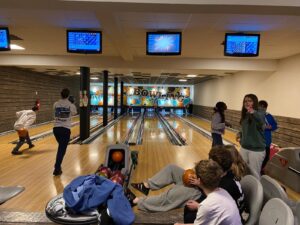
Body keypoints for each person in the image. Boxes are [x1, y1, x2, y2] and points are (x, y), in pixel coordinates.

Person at [183, 145, 245, 223]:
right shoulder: (225, 176)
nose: (208, 163)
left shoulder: (224, 186)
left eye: (210, 161)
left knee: (189, 215)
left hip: (223, 214)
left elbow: (212, 205)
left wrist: (198, 206)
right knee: (188, 208)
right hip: (224, 210)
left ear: (216, 166)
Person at [175, 160, 242, 225]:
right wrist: (198, 206)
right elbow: (215, 209)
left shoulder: (206, 205)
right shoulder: (222, 191)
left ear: (199, 180)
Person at [236, 94, 266, 177]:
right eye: (245, 101)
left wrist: (253, 112)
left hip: (256, 150)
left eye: (250, 101)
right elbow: (245, 128)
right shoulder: (245, 115)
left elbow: (262, 122)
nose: (247, 103)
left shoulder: (260, 113)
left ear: (254, 102)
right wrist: (240, 134)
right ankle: (244, 188)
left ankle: (257, 190)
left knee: (254, 174)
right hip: (244, 147)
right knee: (241, 170)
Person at [53, 88, 77, 176]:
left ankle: (58, 167)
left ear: (61, 94)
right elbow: (74, 113)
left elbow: (54, 113)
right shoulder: (70, 105)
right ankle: (57, 168)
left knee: (61, 148)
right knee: (61, 150)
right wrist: (71, 103)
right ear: (68, 95)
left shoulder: (56, 103)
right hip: (65, 130)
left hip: (56, 129)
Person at [258, 100, 278, 171]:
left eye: (264, 107)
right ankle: (255, 170)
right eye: (261, 107)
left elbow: (275, 125)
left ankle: (261, 170)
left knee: (266, 157)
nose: (262, 108)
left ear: (266, 108)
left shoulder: (269, 116)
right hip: (257, 141)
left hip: (267, 141)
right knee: (257, 158)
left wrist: (271, 127)